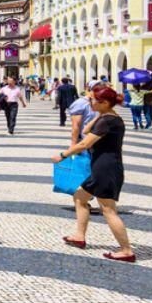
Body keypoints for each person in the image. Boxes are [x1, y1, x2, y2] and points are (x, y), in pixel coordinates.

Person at [55, 86, 134, 262]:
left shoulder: (108, 121)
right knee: (80, 197)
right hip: (103, 166)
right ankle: (79, 236)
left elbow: (84, 144)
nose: (89, 102)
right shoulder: (108, 117)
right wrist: (99, 113)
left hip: (105, 169)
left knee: (108, 210)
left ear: (104, 103)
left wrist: (62, 155)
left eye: (93, 100)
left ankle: (126, 250)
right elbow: (85, 131)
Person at [66, 83, 103, 150]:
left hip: (99, 140)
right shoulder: (80, 104)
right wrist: (73, 144)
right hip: (85, 141)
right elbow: (76, 125)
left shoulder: (100, 102)